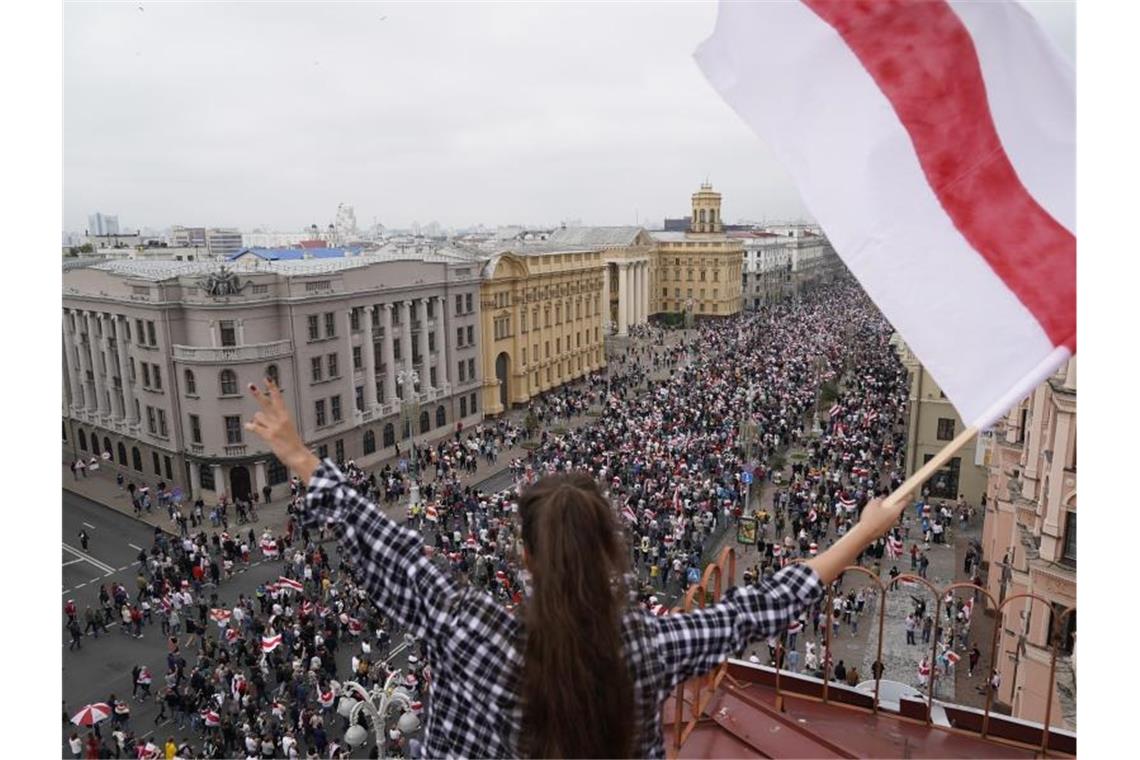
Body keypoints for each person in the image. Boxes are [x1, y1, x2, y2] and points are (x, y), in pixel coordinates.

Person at [242, 376, 908, 757]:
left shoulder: (467, 627)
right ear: (609, 551)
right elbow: (759, 608)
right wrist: (863, 531)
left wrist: (301, 458)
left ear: (525, 554)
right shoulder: (645, 646)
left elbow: (389, 546)